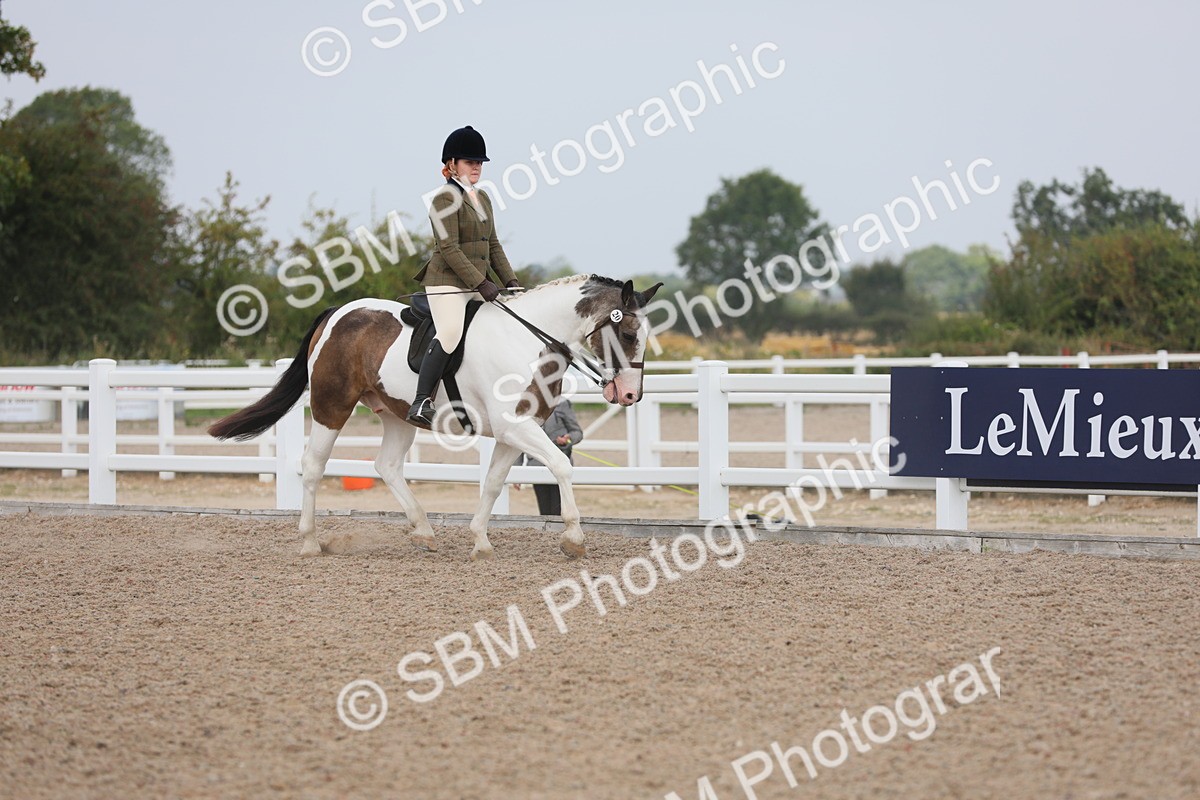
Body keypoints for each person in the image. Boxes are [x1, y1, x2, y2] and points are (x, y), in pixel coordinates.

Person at [407, 125, 521, 429]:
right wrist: (481, 282)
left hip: (476, 284)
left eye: (480, 163)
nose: (477, 168)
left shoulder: (482, 198)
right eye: (471, 162)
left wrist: (510, 281)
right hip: (447, 283)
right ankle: (421, 401)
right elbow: (449, 247)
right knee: (451, 332)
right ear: (452, 164)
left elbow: (493, 244)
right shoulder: (443, 199)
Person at [519, 400, 583, 516]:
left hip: (559, 464)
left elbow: (577, 432)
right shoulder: (526, 405)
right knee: (544, 510)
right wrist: (516, 471)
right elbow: (520, 437)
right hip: (536, 465)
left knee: (557, 508)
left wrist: (568, 439)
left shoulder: (562, 403)